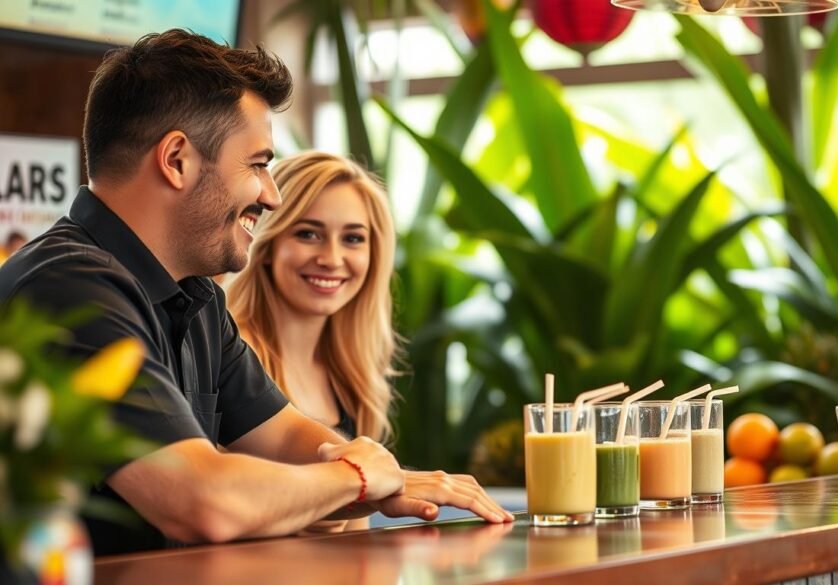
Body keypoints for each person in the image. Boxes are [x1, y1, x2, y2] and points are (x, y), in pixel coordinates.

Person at [0, 29, 511, 557]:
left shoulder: (194, 296)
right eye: (259, 164)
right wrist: (361, 476)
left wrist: (391, 480)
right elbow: (203, 501)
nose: (271, 194)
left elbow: (290, 440)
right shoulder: (69, 287)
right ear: (177, 160)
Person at [228, 151, 488, 533]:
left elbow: (355, 533)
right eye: (308, 234)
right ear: (268, 243)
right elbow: (235, 510)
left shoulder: (351, 370)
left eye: (352, 238)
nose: (331, 258)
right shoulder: (230, 359)